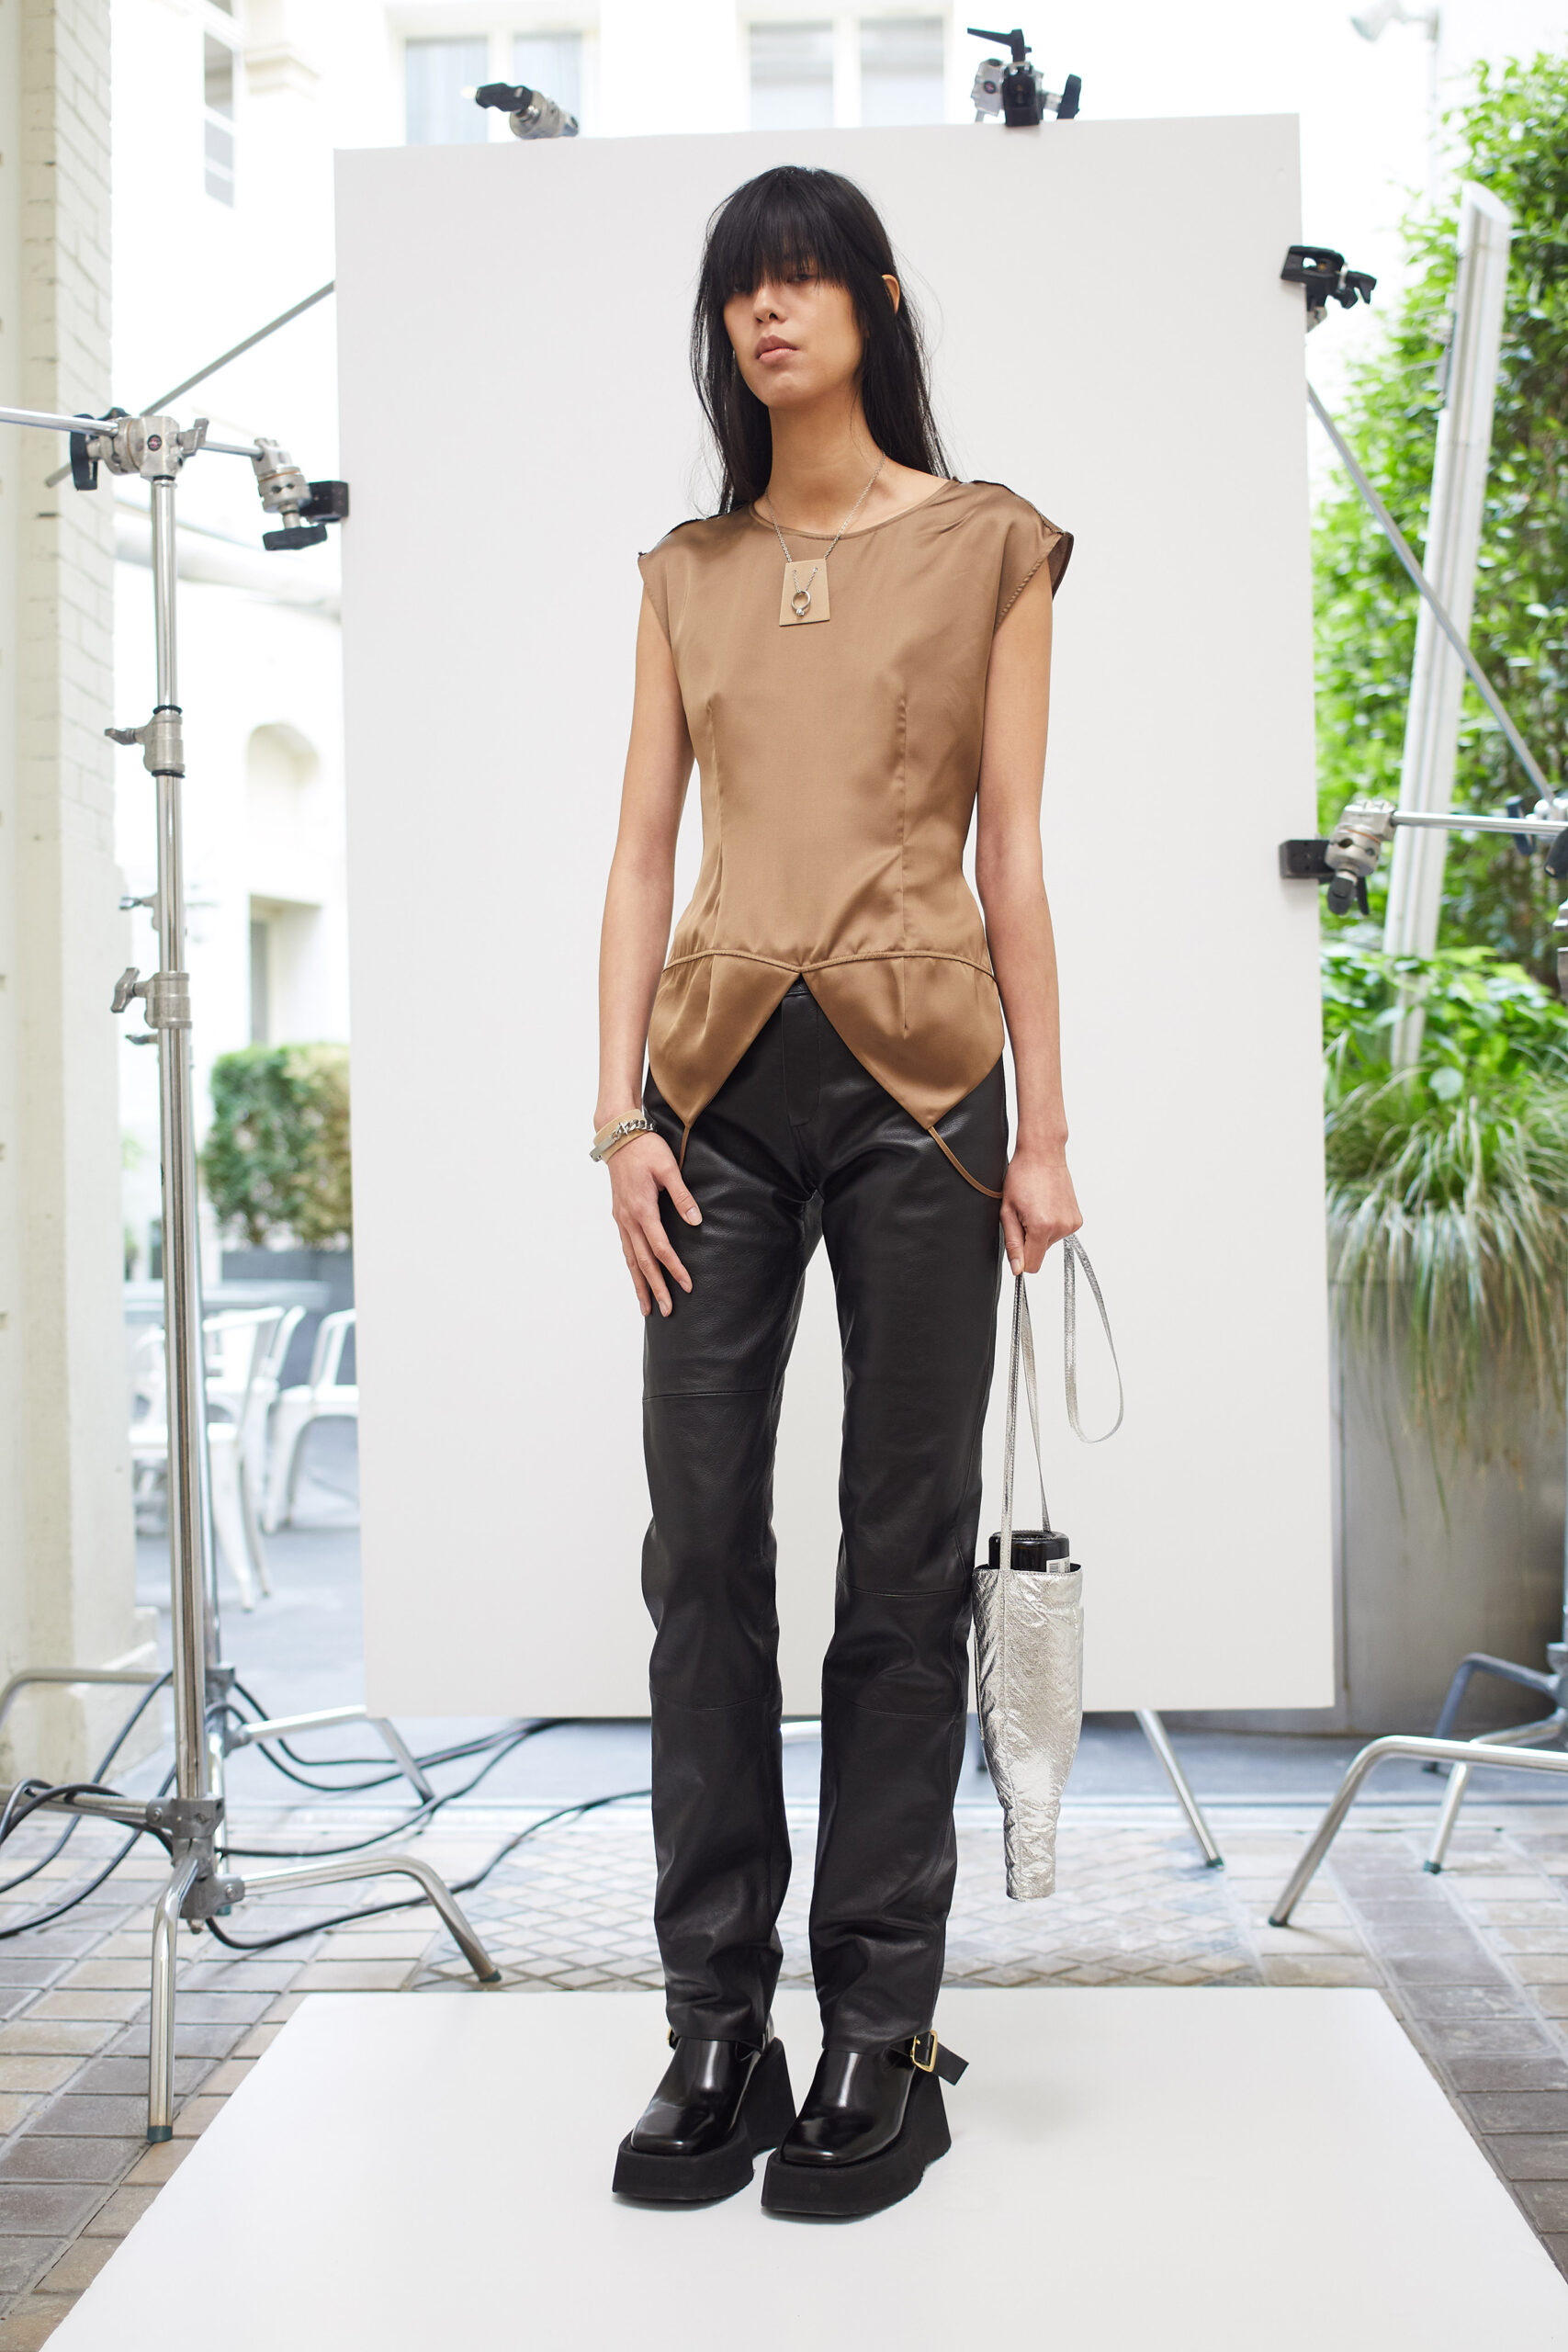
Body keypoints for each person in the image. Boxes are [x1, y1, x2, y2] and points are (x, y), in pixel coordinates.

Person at [592, 163, 1080, 2220]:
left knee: (900, 1565)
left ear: (873, 302)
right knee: (700, 1547)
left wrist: (1046, 1129)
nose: (768, 314)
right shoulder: (685, 570)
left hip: (929, 1092)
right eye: (740, 291)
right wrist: (616, 1117)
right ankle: (718, 2020)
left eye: (801, 280)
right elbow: (641, 852)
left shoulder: (990, 545)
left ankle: (880, 2023)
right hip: (708, 1094)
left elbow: (1012, 854)